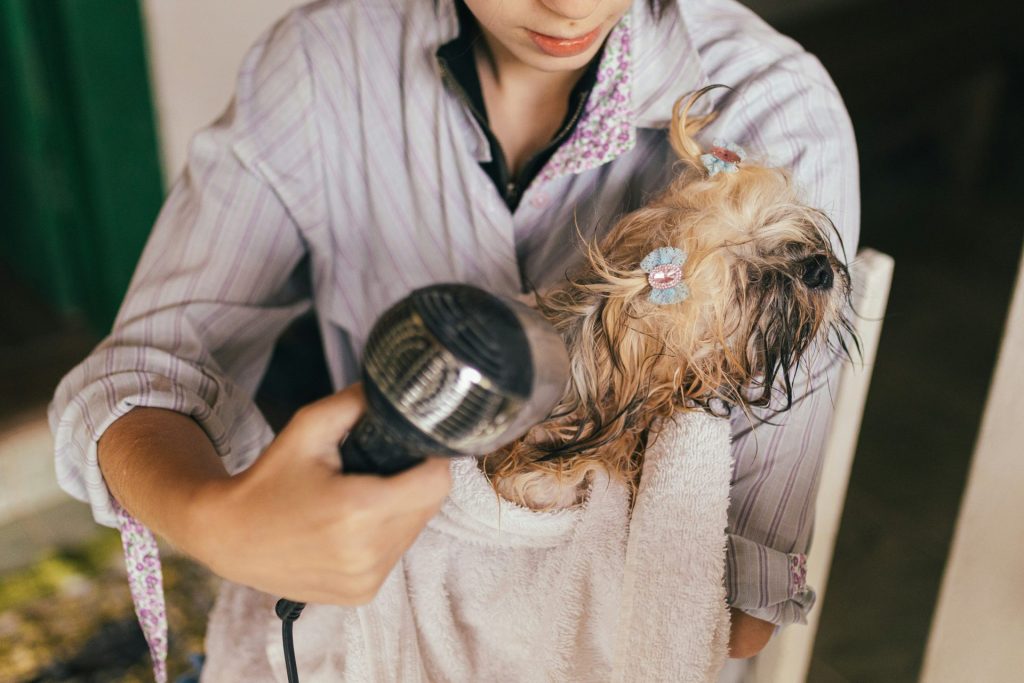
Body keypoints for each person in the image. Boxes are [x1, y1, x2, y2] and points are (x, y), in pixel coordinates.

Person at [49, 0, 859, 678]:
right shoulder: (326, 63)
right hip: (360, 625)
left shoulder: (773, 115)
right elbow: (138, 374)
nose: (571, 5)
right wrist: (214, 516)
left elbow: (737, 615)